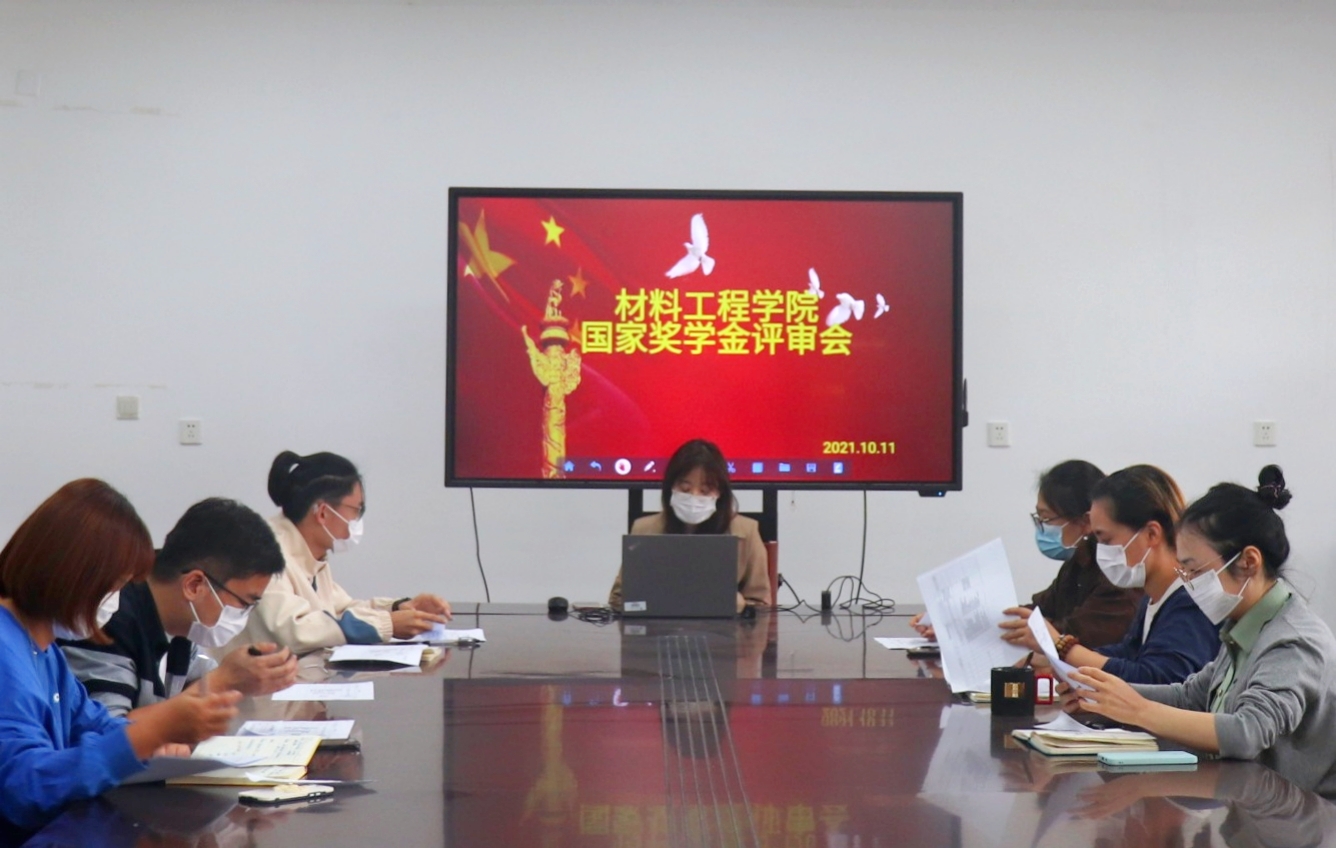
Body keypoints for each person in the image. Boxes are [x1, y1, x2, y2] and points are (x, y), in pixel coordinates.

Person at [1069, 466, 1336, 795]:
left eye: (1194, 570)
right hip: (1244, 802)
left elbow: (1249, 731)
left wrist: (1138, 710)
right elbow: (1190, 697)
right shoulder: (1243, 625)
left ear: (1248, 561)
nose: (1188, 583)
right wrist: (1101, 696)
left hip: (1300, 815)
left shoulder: (1294, 640)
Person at [0, 480, 238, 838]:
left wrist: (154, 743)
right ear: (71, 574)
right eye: (113, 587)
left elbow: (92, 723)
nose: (115, 601)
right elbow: (27, 787)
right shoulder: (6, 650)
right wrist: (151, 732)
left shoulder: (45, 651)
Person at [60, 497, 299, 719]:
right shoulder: (108, 619)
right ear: (194, 585)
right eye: (244, 603)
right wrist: (223, 680)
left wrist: (244, 677)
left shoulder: (180, 622)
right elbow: (109, 731)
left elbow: (197, 682)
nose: (244, 614)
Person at [1002, 464, 1219, 685]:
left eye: (1106, 540)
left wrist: (1062, 647)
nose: (1101, 552)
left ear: (1152, 534)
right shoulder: (1152, 598)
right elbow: (1128, 654)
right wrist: (1067, 668)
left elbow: (1160, 680)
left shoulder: (1190, 600)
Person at [224, 451, 452, 656]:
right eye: (356, 510)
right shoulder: (265, 551)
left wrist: (399, 608)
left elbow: (340, 610)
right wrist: (387, 624)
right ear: (323, 512)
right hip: (249, 686)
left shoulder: (310, 553)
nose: (357, 521)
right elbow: (294, 631)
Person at [912, 460, 1141, 649]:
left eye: (1047, 518)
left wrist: (983, 630)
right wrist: (954, 623)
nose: (1041, 527)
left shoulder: (1116, 572)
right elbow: (1038, 611)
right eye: (1038, 517)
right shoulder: (1079, 561)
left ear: (1085, 521)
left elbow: (1074, 635)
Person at [608, 439, 770, 614]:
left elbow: (762, 606)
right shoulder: (644, 529)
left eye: (705, 491)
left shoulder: (747, 531)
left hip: (726, 629)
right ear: (671, 487)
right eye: (685, 489)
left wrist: (742, 605)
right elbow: (618, 598)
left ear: (720, 493)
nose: (694, 496)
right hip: (657, 627)